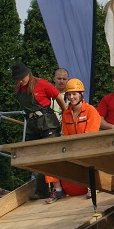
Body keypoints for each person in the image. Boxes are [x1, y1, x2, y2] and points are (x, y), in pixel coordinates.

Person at [11, 61, 66, 200]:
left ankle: (59, 189)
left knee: (50, 155)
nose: (21, 80)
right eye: (18, 78)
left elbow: (58, 97)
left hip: (48, 122)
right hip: (32, 125)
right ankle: (41, 191)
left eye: (22, 77)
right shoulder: (18, 88)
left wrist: (66, 113)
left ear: (28, 74)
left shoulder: (42, 84)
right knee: (35, 157)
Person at [49, 78, 101, 203]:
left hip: (89, 148)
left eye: (74, 94)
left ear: (81, 94)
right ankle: (58, 190)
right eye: (69, 94)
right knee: (51, 157)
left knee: (89, 155)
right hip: (72, 148)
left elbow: (90, 136)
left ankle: (92, 187)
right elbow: (66, 136)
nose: (72, 97)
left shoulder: (91, 111)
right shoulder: (66, 113)